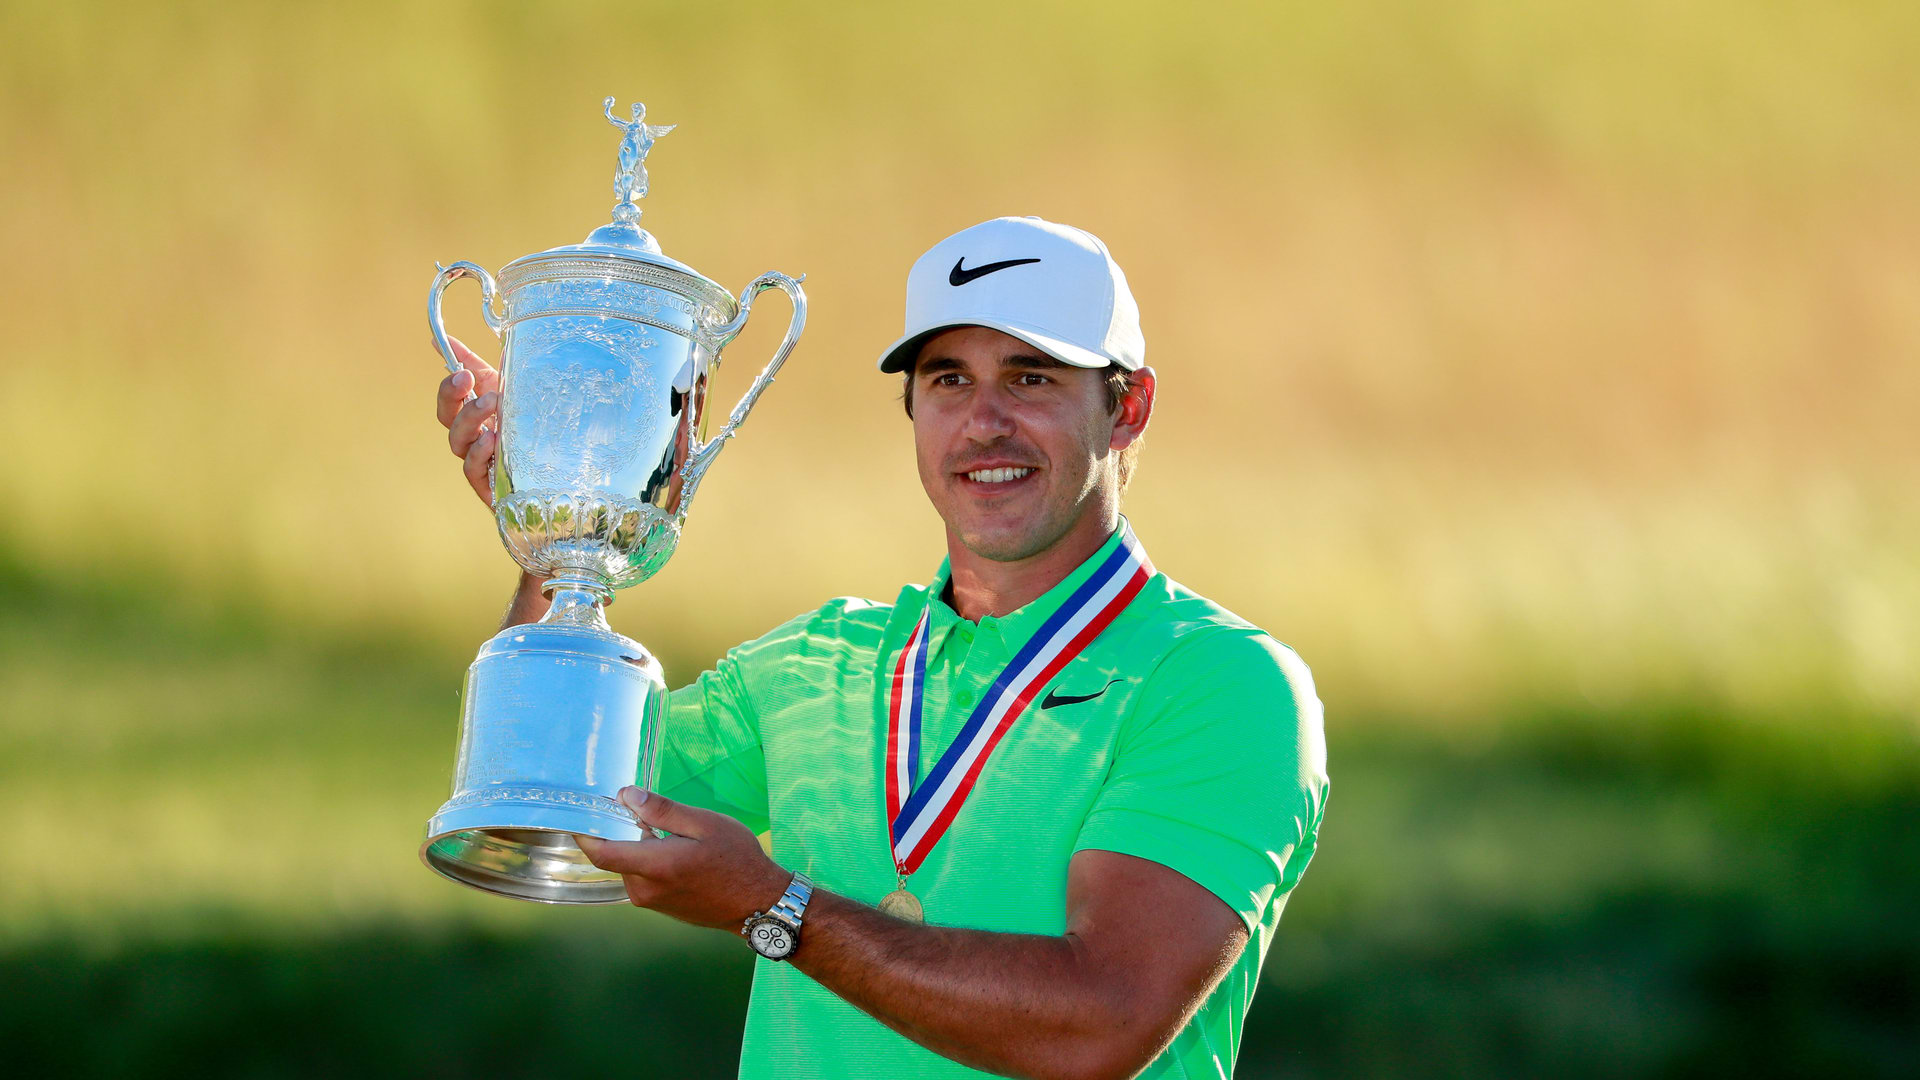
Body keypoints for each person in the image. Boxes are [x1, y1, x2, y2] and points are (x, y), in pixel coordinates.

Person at [433, 216, 1329, 1079]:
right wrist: (561, 513)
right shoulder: (817, 662)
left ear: (1126, 407)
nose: (984, 424)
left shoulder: (1224, 683)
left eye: (1031, 379)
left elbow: (1103, 1020)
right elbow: (554, 788)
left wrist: (776, 907)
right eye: (948, 381)